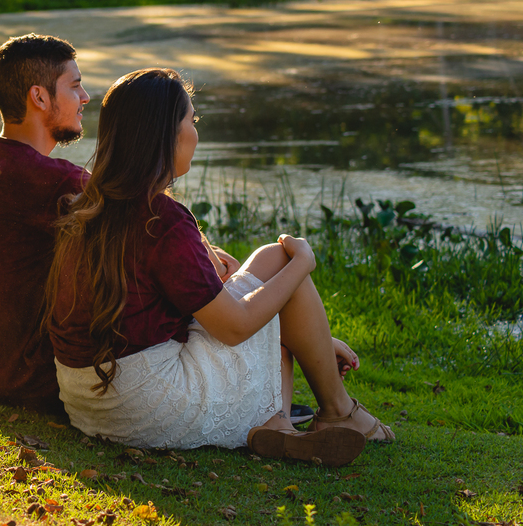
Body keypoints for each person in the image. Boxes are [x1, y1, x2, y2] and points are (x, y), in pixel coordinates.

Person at [45, 68, 393, 465]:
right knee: (282, 259)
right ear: (166, 135)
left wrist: (309, 338)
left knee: (268, 266)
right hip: (151, 403)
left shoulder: (87, 207)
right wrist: (304, 262)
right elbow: (234, 327)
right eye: (191, 120)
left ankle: (278, 425)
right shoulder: (161, 220)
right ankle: (339, 413)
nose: (195, 132)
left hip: (87, 403)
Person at [0, 34, 91, 414]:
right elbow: (149, 223)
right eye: (75, 86)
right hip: (27, 385)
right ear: (39, 97)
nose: (86, 97)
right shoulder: (51, 180)